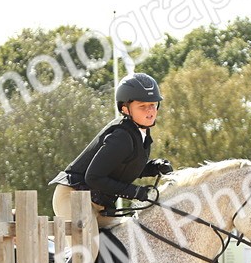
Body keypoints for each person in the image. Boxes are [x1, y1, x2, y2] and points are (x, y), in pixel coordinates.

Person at [50, 72, 172, 230]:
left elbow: (123, 167)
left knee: (129, 235)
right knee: (88, 244)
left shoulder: (140, 134)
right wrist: (134, 192)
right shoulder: (121, 136)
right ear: (125, 109)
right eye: (142, 106)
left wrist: (153, 167)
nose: (150, 111)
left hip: (99, 204)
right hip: (74, 197)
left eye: (153, 105)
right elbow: (93, 177)